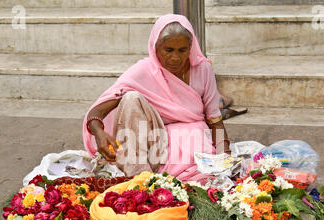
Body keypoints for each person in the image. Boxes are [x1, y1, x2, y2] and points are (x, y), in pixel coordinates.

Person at [83, 14, 231, 183]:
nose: (175, 57)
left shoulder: (203, 69)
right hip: (156, 142)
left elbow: (215, 120)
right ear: (156, 48)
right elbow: (97, 111)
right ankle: (141, 179)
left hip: (194, 138)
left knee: (205, 180)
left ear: (190, 48)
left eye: (182, 50)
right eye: (168, 50)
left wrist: (225, 159)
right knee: (131, 98)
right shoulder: (143, 71)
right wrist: (99, 133)